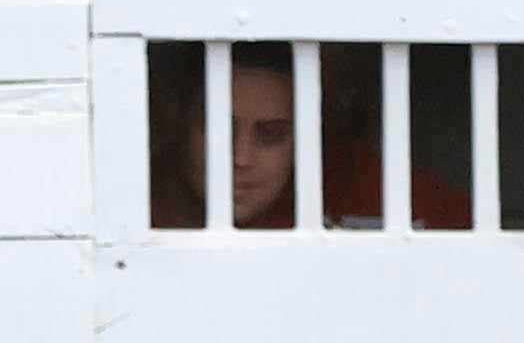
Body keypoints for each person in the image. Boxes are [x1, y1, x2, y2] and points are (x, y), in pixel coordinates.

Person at [149, 40, 466, 232]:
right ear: (177, 119)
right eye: (219, 128)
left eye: (271, 135)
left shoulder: (388, 200)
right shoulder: (135, 207)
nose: (241, 157)